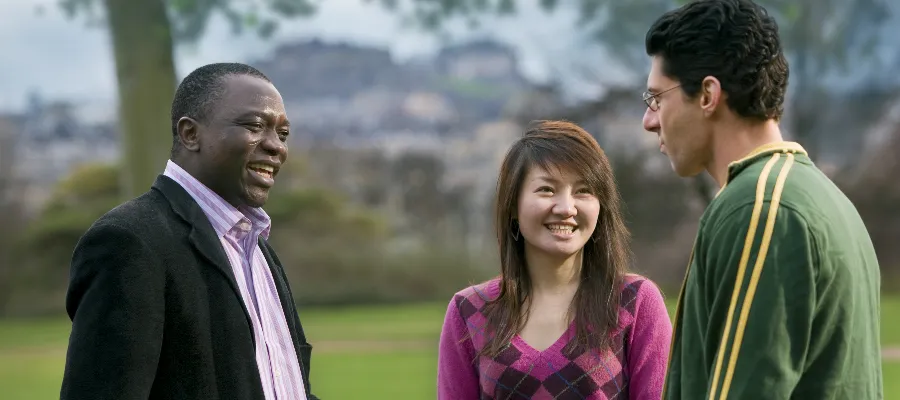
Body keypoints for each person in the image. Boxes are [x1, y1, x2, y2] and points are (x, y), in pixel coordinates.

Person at [641, 1, 883, 399]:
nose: (649, 120)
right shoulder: (822, 197)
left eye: (656, 99)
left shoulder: (761, 208)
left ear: (707, 95)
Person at [60, 63, 318, 400]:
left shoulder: (258, 249)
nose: (276, 146)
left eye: (282, 134)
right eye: (255, 126)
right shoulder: (130, 241)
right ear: (190, 134)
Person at [437, 120, 672, 399]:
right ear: (513, 205)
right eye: (547, 189)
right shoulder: (469, 312)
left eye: (583, 190)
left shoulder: (634, 302)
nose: (566, 208)